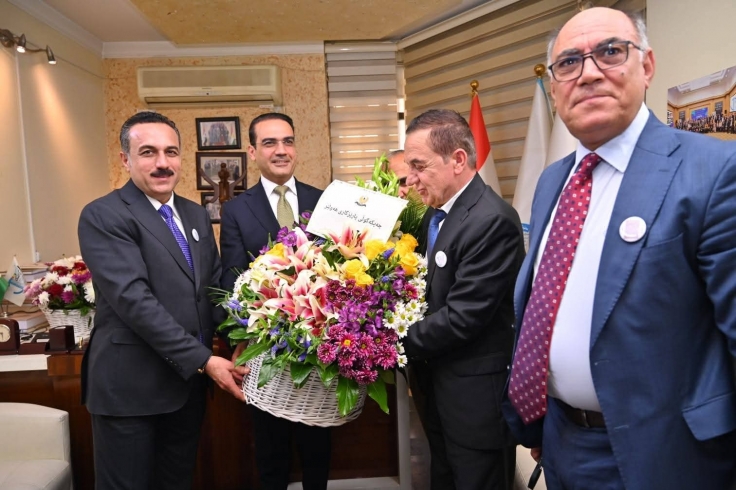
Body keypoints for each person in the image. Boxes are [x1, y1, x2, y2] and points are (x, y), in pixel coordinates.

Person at [503, 7, 736, 490]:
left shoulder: (714, 170)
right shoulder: (552, 182)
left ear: (646, 66)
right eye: (569, 62)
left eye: (610, 52)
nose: (588, 74)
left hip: (670, 455)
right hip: (562, 442)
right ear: (554, 85)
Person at [77, 112, 244, 490]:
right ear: (125, 159)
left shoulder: (195, 215)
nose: (162, 163)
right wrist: (204, 360)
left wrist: (241, 339)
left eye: (171, 152)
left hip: (185, 389)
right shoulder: (104, 215)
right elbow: (134, 301)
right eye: (148, 152)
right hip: (130, 390)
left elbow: (212, 291)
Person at [402, 109, 524, 490]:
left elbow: (461, 318)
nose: (410, 179)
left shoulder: (492, 220)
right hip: (438, 393)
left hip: (476, 406)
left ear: (457, 159)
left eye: (419, 166)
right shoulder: (436, 216)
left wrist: (388, 342)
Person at [219, 112, 329, 490]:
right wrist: (239, 341)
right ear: (252, 152)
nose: (281, 150)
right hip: (267, 349)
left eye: (288, 141)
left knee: (318, 451)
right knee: (271, 456)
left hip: (319, 347)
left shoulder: (322, 200)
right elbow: (231, 279)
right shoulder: (236, 210)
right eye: (269, 143)